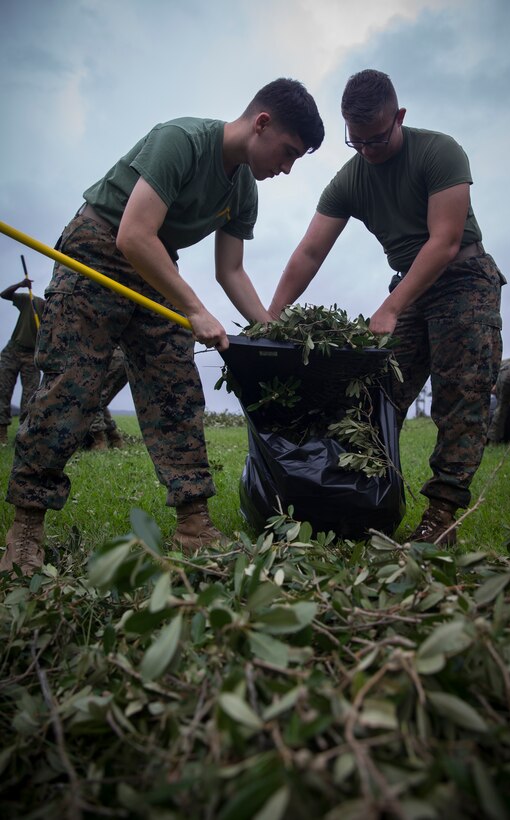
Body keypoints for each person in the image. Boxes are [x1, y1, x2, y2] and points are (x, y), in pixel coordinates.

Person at [1, 78, 324, 575]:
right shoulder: (181, 140)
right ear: (262, 124)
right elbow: (133, 233)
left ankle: (195, 523)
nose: (285, 167)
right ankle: (25, 527)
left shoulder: (243, 190)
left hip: (156, 266)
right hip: (99, 246)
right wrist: (195, 309)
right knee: (72, 386)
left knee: (175, 387)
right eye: (288, 152)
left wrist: (270, 329)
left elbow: (231, 271)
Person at [269, 69, 505, 546]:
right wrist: (271, 317)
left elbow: (444, 241)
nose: (367, 151)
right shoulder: (351, 178)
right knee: (373, 397)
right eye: (355, 142)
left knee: (461, 397)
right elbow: (310, 252)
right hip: (410, 290)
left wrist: (391, 307)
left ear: (399, 117)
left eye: (375, 139)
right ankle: (359, 503)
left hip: (463, 279)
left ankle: (442, 516)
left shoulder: (440, 152)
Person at [0, 278, 45, 444]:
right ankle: (1, 432)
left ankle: (23, 435)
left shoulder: (59, 318)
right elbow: (4, 295)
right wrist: (20, 285)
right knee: (3, 391)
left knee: (30, 397)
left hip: (32, 357)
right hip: (13, 351)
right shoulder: (31, 301)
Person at [84, 346, 128, 450]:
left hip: (114, 356)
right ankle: (114, 439)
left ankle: (98, 441)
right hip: (124, 356)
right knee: (101, 400)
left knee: (94, 398)